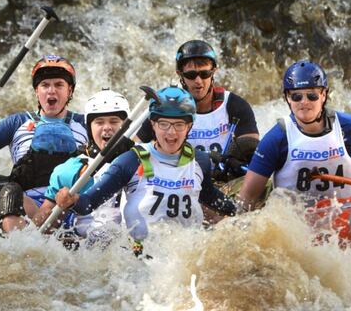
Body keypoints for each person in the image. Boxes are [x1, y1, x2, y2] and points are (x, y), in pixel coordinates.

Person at [54, 86, 237, 247]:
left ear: (189, 126)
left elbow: (209, 196)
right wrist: (72, 201)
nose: (171, 132)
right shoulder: (130, 161)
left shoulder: (201, 161)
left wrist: (242, 212)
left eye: (179, 124)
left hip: (185, 255)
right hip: (140, 256)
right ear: (153, 124)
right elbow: (89, 203)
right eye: (164, 124)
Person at [238, 60, 351, 211]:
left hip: (347, 213)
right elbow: (247, 198)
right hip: (298, 224)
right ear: (288, 99)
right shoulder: (276, 138)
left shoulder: (347, 126)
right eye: (297, 96)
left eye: (311, 95)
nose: (304, 102)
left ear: (323, 95)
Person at [0, 55, 88, 232]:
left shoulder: (87, 123)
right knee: (9, 190)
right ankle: (21, 246)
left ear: (70, 91)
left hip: (69, 201)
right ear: (36, 91)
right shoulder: (17, 122)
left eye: (59, 85)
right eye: (45, 85)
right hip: (27, 204)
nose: (51, 91)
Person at [135, 40, 259, 180]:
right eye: (191, 75)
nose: (198, 81)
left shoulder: (235, 105)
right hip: (180, 183)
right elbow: (137, 148)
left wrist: (234, 163)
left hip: (225, 183)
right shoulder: (166, 106)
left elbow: (251, 149)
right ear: (180, 74)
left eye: (204, 73)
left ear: (213, 72)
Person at [30, 89, 132, 244]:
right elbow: (42, 230)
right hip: (90, 248)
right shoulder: (72, 169)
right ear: (89, 128)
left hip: (132, 243)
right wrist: (61, 205)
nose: (107, 127)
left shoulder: (142, 158)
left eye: (114, 121)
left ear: (125, 125)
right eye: (99, 122)